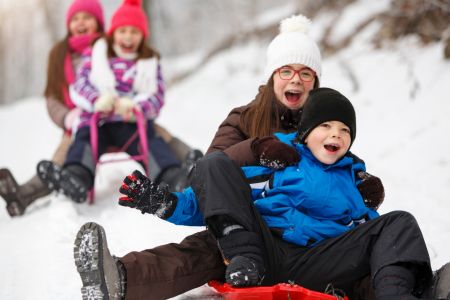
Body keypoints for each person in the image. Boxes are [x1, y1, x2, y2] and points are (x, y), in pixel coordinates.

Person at [71, 15, 387, 299]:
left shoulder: (329, 129)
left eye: (307, 73)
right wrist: (252, 152)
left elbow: (345, 189)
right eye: (287, 70)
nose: (296, 80)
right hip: (252, 237)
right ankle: (120, 279)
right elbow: (211, 181)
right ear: (272, 75)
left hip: (319, 246)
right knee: (208, 248)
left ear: (316, 83)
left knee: (367, 264)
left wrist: (363, 188)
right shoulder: (243, 120)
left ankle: (420, 288)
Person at [35, 0, 196, 204]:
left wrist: (137, 106)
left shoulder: (147, 63)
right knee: (83, 143)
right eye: (122, 31)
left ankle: (171, 178)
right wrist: (96, 100)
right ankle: (76, 178)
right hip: (98, 122)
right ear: (112, 34)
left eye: (134, 32)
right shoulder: (96, 56)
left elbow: (156, 95)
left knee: (152, 142)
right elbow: (79, 85)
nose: (128, 37)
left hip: (129, 122)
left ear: (142, 37)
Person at [0, 0, 105, 216]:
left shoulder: (110, 47)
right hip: (78, 124)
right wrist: (69, 117)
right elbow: (53, 98)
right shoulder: (59, 54)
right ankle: (22, 195)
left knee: (158, 136)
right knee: (61, 157)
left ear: (99, 22)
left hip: (113, 118)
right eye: (75, 18)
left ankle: (185, 167)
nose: (81, 22)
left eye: (87, 17)